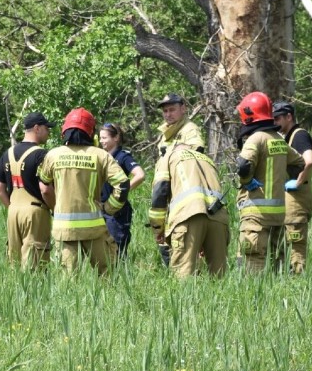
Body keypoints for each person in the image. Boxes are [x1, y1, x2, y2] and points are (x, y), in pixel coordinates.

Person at [38, 108, 130, 275]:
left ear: (64, 130)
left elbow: (44, 188)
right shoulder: (101, 155)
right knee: (107, 276)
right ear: (91, 132)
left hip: (64, 230)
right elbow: (123, 184)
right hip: (95, 229)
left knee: (68, 285)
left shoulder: (53, 155)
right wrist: (108, 208)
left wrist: (55, 209)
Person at [234, 92, 304, 273]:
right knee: (278, 265)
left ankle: (251, 301)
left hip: (255, 214)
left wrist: (247, 181)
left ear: (248, 115)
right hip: (278, 215)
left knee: (251, 265)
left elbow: (243, 165)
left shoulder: (256, 138)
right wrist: (284, 179)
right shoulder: (278, 140)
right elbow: (299, 163)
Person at [149, 143, 230, 278]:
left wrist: (158, 228)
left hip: (188, 216)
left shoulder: (168, 157)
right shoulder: (207, 159)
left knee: (183, 275)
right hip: (219, 217)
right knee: (218, 276)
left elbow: (159, 193)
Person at [0, 111, 56, 269]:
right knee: (35, 265)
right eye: (46, 128)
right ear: (37, 128)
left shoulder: (6, 154)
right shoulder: (42, 155)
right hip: (35, 212)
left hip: (13, 211)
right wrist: (55, 209)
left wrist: (11, 207)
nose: (48, 132)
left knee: (14, 262)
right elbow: (46, 190)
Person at [155, 93, 205, 265]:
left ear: (183, 108)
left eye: (172, 110)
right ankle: (171, 271)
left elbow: (196, 150)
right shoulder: (165, 133)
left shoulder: (189, 129)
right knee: (168, 236)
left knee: (186, 237)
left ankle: (190, 273)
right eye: (165, 111)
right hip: (167, 191)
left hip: (184, 190)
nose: (168, 114)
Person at [273, 101, 312, 274]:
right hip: (288, 201)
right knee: (283, 244)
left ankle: (298, 283)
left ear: (289, 116)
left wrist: (297, 183)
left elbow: (310, 160)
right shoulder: (287, 137)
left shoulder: (299, 135)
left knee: (296, 247)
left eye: (277, 118)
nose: (274, 122)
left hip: (296, 202)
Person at [98, 122, 145, 258]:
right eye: (100, 138)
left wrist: (123, 191)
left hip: (117, 212)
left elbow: (140, 175)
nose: (101, 141)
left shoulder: (123, 156)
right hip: (102, 209)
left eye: (105, 138)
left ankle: (120, 277)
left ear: (116, 138)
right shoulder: (102, 157)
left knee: (117, 250)